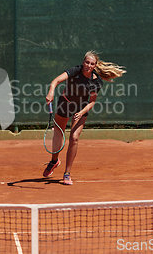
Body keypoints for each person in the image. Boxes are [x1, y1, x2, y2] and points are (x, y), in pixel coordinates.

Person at [43, 51, 126, 185]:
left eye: (92, 64)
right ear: (83, 62)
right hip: (65, 103)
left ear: (95, 66)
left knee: (74, 138)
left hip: (81, 108)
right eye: (87, 62)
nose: (88, 65)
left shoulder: (96, 81)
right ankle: (54, 161)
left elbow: (92, 101)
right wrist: (51, 92)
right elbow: (56, 81)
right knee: (58, 134)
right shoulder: (75, 71)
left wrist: (81, 112)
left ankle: (67, 174)